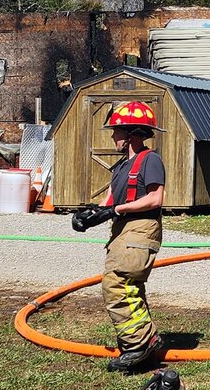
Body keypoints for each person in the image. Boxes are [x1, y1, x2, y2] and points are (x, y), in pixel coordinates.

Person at [71, 100, 168, 373]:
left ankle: (138, 343)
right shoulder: (123, 167)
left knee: (117, 283)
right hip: (123, 230)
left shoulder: (150, 160)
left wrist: (116, 209)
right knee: (129, 287)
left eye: (116, 131)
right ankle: (141, 341)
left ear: (131, 134)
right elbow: (110, 201)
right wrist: (90, 215)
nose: (113, 136)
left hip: (140, 228)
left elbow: (155, 197)